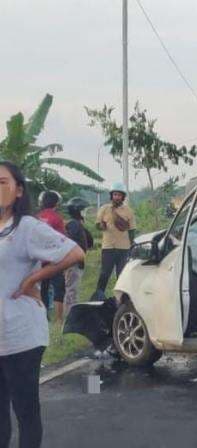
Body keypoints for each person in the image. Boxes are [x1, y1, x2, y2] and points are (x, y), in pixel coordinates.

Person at [0, 161, 85, 448]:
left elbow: (74, 252)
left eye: (2, 182)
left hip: (21, 334)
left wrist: (33, 279)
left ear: (19, 190)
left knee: (25, 412)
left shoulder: (27, 227)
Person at [93, 182, 136, 300]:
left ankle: (122, 298)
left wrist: (132, 245)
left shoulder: (128, 211)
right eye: (115, 195)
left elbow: (132, 230)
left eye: (119, 195)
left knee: (121, 274)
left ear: (123, 197)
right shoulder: (104, 209)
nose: (116, 197)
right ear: (111, 196)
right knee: (105, 273)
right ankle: (98, 296)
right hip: (108, 247)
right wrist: (101, 226)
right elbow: (97, 225)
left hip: (124, 248)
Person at [37, 190, 67, 321]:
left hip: (39, 260)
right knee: (59, 288)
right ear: (56, 203)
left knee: (42, 289)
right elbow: (62, 239)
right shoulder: (57, 218)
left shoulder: (37, 217)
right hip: (54, 259)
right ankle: (59, 320)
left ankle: (43, 317)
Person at [64, 197, 93, 315]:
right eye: (83, 210)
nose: (84, 213)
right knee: (72, 290)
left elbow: (89, 241)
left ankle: (72, 313)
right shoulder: (73, 225)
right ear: (77, 211)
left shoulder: (77, 224)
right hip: (73, 262)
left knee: (74, 288)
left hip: (77, 262)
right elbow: (72, 243)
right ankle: (70, 316)